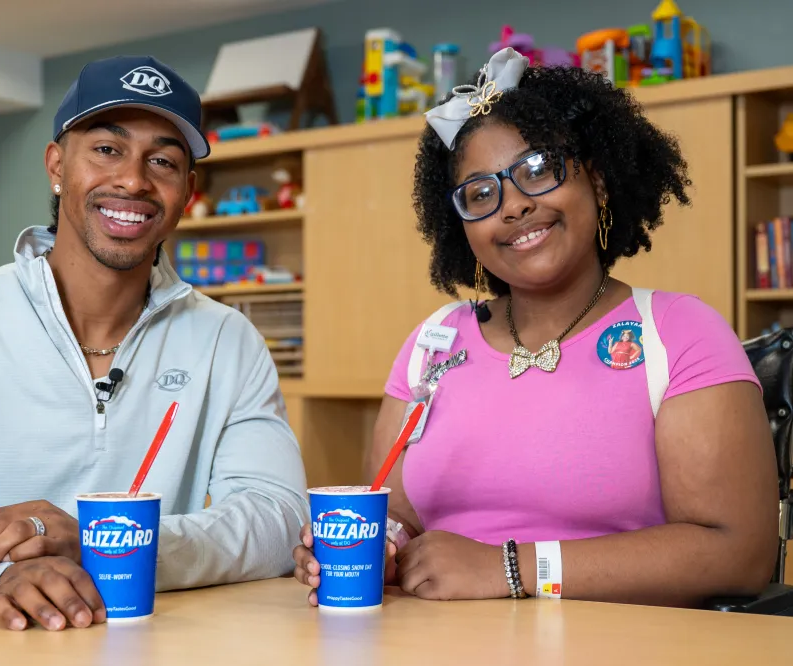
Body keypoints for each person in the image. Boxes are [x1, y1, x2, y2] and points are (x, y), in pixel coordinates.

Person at [294, 48, 778, 607]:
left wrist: (512, 568)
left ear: (596, 182)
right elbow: (400, 516)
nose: (514, 205)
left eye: (538, 169)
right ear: (463, 230)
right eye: (480, 194)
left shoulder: (679, 332)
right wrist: (376, 548)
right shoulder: (434, 344)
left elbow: (738, 553)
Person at [0, 55, 309, 630]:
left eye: (161, 160)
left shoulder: (226, 340)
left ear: (187, 191)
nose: (134, 179)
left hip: (151, 643)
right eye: (107, 150)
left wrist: (105, 545)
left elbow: (279, 518)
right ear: (57, 165)